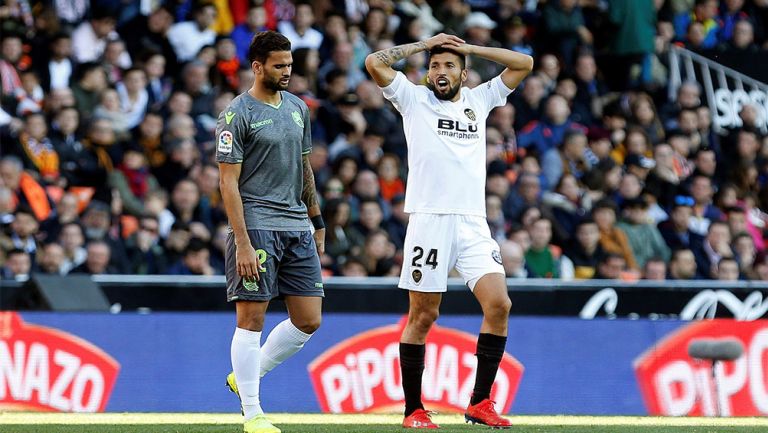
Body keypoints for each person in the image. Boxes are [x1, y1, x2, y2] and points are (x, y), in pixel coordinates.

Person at [365, 32, 533, 428]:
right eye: (435, 66)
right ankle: (413, 410)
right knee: (424, 315)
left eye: (449, 65)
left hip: (473, 222)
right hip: (430, 220)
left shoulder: (479, 99)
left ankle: (479, 402)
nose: (441, 71)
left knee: (500, 305)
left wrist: (469, 47)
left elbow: (523, 62)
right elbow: (375, 62)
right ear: (427, 73)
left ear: (463, 73)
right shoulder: (412, 99)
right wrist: (426, 45)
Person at [217, 31, 325, 433]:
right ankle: (252, 413)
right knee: (251, 318)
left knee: (309, 320)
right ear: (257, 66)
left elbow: (305, 167)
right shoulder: (236, 114)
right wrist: (241, 242)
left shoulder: (298, 108)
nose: (287, 72)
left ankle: (245, 375)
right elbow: (228, 183)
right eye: (279, 65)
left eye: (290, 65)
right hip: (257, 226)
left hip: (296, 224)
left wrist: (317, 221)